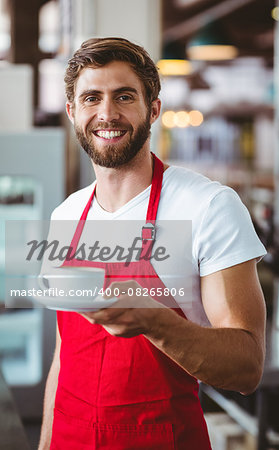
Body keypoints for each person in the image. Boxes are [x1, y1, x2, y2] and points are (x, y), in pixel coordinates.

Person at [38, 37, 266, 450]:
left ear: (154, 108)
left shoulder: (208, 206)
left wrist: (156, 320)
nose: (107, 113)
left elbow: (247, 367)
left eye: (124, 96)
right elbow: (63, 356)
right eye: (91, 98)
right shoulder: (66, 215)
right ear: (73, 112)